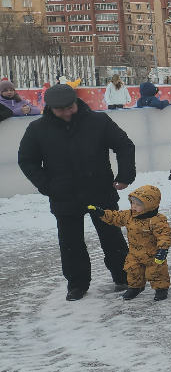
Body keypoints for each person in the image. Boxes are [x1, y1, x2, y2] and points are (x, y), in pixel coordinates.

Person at [17, 84, 136, 300]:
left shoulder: (99, 122)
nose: (67, 113)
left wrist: (125, 175)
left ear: (77, 103)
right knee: (70, 242)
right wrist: (48, 186)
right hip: (64, 195)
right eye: (60, 110)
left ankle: (124, 276)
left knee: (112, 237)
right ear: (50, 108)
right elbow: (27, 160)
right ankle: (77, 284)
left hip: (100, 190)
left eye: (70, 107)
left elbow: (124, 145)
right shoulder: (37, 129)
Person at [88, 185, 171, 301]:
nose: (133, 207)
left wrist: (163, 249)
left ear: (149, 205)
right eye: (132, 203)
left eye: (138, 205)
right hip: (134, 253)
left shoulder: (156, 220)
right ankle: (135, 287)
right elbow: (116, 217)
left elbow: (164, 235)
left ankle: (161, 289)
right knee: (132, 270)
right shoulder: (129, 216)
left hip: (152, 254)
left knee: (156, 272)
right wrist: (101, 213)